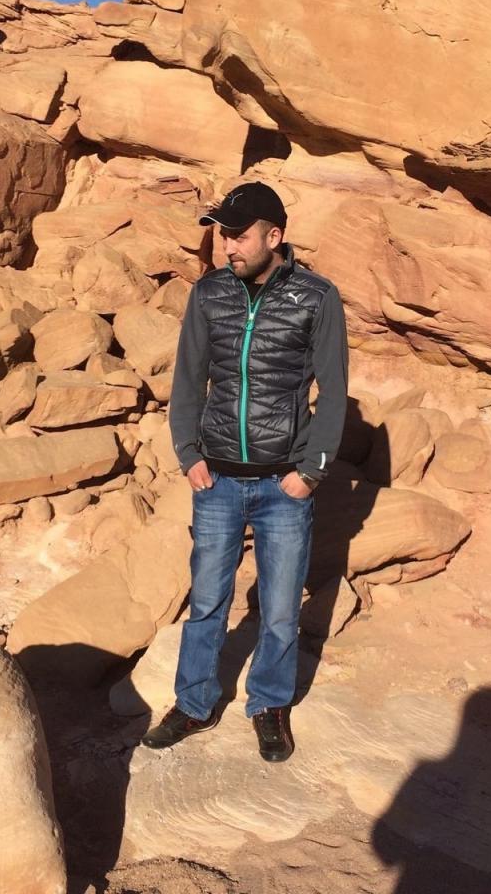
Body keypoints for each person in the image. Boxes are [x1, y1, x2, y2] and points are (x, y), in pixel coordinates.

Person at [140, 180, 349, 763]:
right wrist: (189, 455)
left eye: (238, 235)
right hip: (218, 481)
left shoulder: (316, 297)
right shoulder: (209, 294)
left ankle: (269, 704)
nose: (227, 245)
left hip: (285, 485)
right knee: (207, 599)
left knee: (280, 608)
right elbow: (188, 378)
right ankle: (194, 704)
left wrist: (311, 472)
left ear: (273, 236)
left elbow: (334, 392)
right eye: (222, 235)